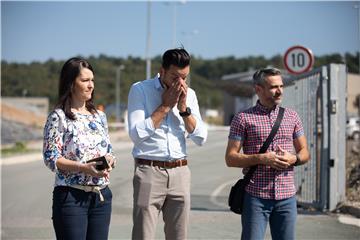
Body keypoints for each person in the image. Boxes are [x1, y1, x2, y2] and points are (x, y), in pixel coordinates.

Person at [127, 48, 207, 240]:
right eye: (174, 76)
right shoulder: (140, 90)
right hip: (149, 170)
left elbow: (201, 138)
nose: (180, 83)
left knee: (179, 236)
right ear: (161, 71)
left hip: (180, 172)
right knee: (143, 236)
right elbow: (136, 134)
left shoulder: (190, 95)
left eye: (184, 77)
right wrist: (164, 107)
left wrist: (184, 110)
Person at [225, 67, 310, 240]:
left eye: (281, 86)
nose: (279, 91)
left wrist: (293, 158)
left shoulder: (292, 117)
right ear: (258, 89)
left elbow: (305, 152)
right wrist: (263, 158)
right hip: (256, 197)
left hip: (287, 198)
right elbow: (231, 158)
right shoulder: (243, 118)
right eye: (273, 87)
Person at [43, 57, 116, 240]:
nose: (91, 85)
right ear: (70, 83)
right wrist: (83, 168)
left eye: (92, 80)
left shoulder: (99, 116)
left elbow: (108, 149)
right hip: (71, 197)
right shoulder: (58, 117)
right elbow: (52, 159)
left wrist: (110, 160)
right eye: (84, 80)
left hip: (101, 197)